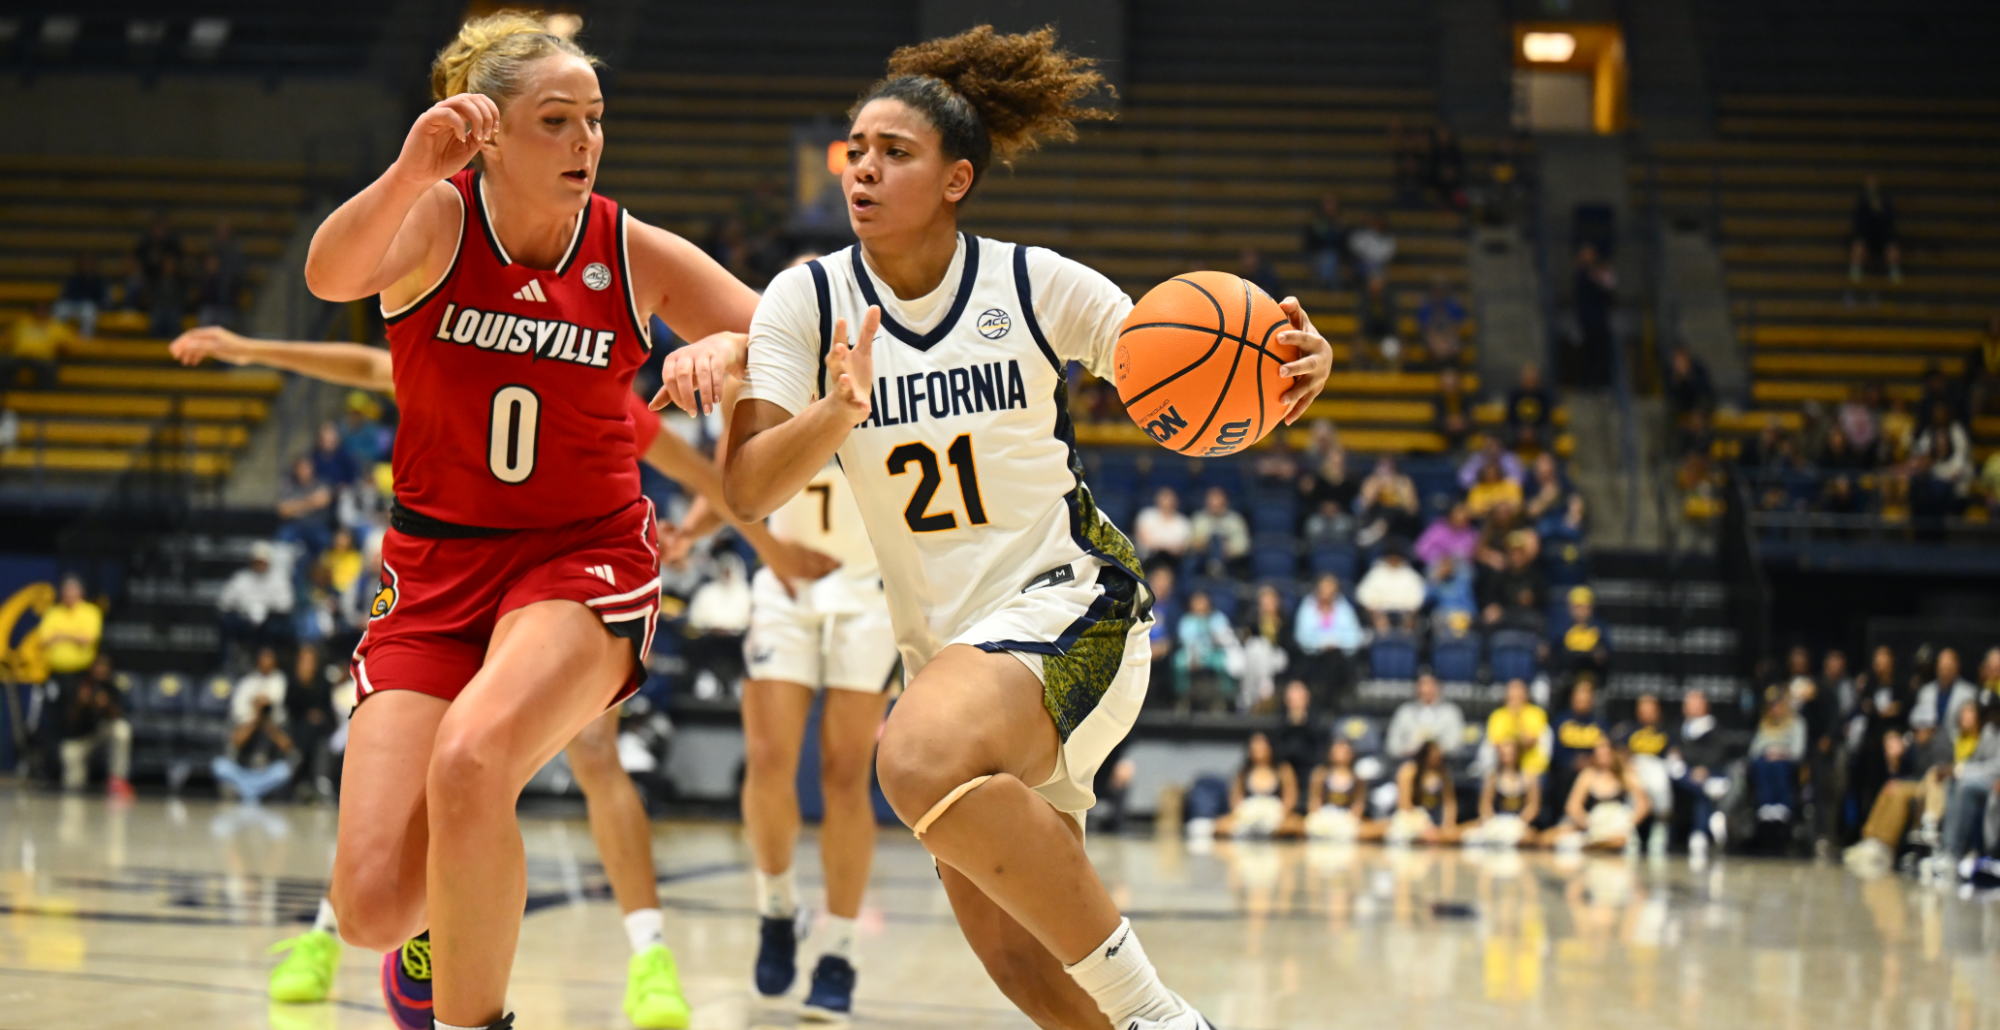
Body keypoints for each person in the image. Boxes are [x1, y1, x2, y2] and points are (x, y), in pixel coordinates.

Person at [696, 27, 1331, 1029]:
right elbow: (743, 492)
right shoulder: (804, 299)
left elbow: (1181, 389)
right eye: (854, 148)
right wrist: (834, 412)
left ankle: (1167, 1020)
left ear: (956, 180)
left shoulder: (1034, 284)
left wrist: (1285, 376)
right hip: (947, 649)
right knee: (1023, 964)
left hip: (1070, 603)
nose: (861, 166)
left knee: (907, 760)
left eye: (891, 152)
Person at [289, 13, 793, 1029]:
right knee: (371, 903)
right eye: (556, 121)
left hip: (581, 557)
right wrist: (405, 167)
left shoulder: (625, 247)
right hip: (433, 569)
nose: (583, 142)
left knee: (474, 761)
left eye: (594, 121)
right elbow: (328, 276)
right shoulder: (433, 220)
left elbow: (790, 328)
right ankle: (439, 932)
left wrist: (727, 358)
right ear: (489, 137)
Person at [172, 341, 839, 1019]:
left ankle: (650, 954)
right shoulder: (462, 362)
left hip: (567, 587)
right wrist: (251, 348)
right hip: (454, 588)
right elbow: (372, 365)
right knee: (414, 784)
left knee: (581, 756)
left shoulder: (597, 391)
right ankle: (365, 926)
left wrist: (769, 547)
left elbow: (705, 473)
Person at [1539, 740, 1648, 851]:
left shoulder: (1625, 774)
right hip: (1592, 823)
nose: (1602, 758)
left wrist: (1628, 823)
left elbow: (1643, 804)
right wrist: (1588, 822)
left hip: (1616, 825)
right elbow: (1572, 806)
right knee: (1549, 838)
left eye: (1606, 754)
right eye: (1599, 754)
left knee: (1618, 841)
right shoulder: (1589, 775)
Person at [59, 656, 132, 799]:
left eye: (105, 667)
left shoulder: (112, 687)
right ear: (91, 668)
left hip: (102, 737)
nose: (101, 670)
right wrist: (81, 703)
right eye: (98, 666)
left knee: (122, 730)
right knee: (70, 759)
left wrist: (107, 705)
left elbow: (120, 716)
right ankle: (75, 793)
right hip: (81, 737)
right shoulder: (79, 685)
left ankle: (117, 780)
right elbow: (67, 719)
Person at [1673, 688, 1734, 858]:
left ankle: (1699, 833)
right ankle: (1707, 821)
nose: (1692, 706)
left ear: (1705, 705)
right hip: (1685, 774)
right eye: (1689, 702)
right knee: (1680, 774)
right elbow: (1676, 753)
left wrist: (1703, 768)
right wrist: (1687, 760)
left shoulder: (1713, 727)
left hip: (1707, 772)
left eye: (1696, 702)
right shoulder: (1680, 728)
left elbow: (1716, 753)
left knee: (1702, 791)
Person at [1293, 573, 1367, 710]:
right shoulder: (1307, 608)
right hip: (1313, 656)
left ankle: (1330, 701)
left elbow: (1355, 637)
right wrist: (1322, 643)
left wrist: (1336, 642)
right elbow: (1302, 637)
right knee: (1330, 658)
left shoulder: (1344, 608)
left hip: (1340, 655)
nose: (1326, 594)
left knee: (1334, 657)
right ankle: (1329, 702)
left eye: (1330, 591)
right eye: (1323, 590)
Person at [212, 691, 298, 805]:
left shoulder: (276, 724)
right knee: (219, 765)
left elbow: (288, 747)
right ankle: (253, 792)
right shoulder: (244, 720)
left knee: (284, 770)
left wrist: (268, 724)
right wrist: (256, 720)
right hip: (243, 771)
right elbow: (237, 742)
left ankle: (247, 792)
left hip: (265, 773)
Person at [1614, 693, 1674, 853]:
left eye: (1650, 709)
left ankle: (1660, 824)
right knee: (1632, 784)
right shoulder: (1629, 729)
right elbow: (1619, 751)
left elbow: (1674, 754)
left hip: (1658, 768)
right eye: (1643, 709)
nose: (1647, 712)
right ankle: (1630, 829)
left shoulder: (1666, 731)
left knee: (1660, 781)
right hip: (1636, 767)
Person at [217, 542, 294, 665]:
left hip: (269, 622)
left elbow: (287, 604)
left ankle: (269, 662)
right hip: (245, 621)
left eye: (263, 561)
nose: (260, 565)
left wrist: (267, 608)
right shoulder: (241, 578)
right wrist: (244, 609)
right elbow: (223, 602)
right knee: (226, 623)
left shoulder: (279, 580)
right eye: (257, 561)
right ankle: (226, 664)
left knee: (276, 628)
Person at [1214, 731, 1302, 839]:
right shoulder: (1243, 772)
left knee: (1295, 826)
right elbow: (1235, 799)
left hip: (1275, 813)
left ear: (1270, 747)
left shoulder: (1283, 770)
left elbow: (1290, 797)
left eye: (1261, 746)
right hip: (1249, 813)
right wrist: (1242, 814)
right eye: (1254, 746)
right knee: (1220, 826)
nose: (1258, 749)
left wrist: (1281, 814)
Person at [33, 575, 103, 694]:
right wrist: (75, 636)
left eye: (73, 591)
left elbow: (88, 639)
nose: (69, 594)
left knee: (81, 703)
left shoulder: (91, 612)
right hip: (55, 672)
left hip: (82, 673)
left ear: (81, 592)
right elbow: (43, 640)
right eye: (66, 591)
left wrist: (61, 635)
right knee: (55, 706)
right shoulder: (53, 612)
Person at [1464, 740, 1539, 847]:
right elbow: (1485, 805)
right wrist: (1491, 822)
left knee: (1530, 838)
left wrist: (1520, 822)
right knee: (1470, 835)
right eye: (1504, 754)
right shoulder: (1493, 777)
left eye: (1510, 754)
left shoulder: (1528, 778)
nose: (1507, 757)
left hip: (1518, 823)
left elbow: (1533, 805)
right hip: (1496, 821)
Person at [1174, 590, 1238, 714]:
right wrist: (1194, 657)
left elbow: (1226, 638)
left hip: (1214, 653)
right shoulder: (1187, 620)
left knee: (1224, 664)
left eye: (1202, 601)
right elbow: (1185, 640)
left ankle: (1223, 700)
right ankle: (1183, 698)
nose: (1199, 604)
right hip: (1192, 653)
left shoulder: (1218, 618)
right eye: (1196, 601)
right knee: (1178, 663)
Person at [1748, 690, 1806, 825]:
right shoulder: (1765, 725)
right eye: (1772, 706)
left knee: (1779, 765)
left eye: (1778, 705)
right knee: (1761, 763)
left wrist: (1780, 753)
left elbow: (1798, 751)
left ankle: (1782, 804)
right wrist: (1768, 751)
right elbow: (1753, 751)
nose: (1775, 709)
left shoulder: (1796, 724)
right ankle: (1766, 805)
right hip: (1766, 758)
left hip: (1787, 760)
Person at [1234, 586, 1292, 713]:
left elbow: (1289, 645)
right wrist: (1258, 622)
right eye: (1264, 602)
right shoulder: (1252, 617)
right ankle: (1262, 691)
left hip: (1278, 657)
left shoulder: (1285, 619)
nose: (1267, 606)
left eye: (1271, 602)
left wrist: (1278, 628)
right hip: (1255, 658)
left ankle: (1249, 695)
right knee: (1256, 646)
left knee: (1261, 648)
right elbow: (1244, 638)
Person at [1388, 741, 1459, 844]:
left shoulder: (1443, 773)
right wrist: (1423, 825)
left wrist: (1448, 825)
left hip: (1435, 817)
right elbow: (1404, 804)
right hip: (1412, 818)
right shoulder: (1409, 771)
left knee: (1453, 835)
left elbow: (1450, 803)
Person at [1386, 671, 1466, 761]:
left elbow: (1455, 744)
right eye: (1422, 685)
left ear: (1438, 687)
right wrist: (1409, 749)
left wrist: (1436, 749)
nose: (1426, 689)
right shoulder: (1405, 712)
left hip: (1442, 763)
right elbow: (1392, 745)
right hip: (1409, 761)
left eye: (1430, 685)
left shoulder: (1450, 712)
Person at [1304, 737, 1371, 841]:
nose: (1341, 753)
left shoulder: (1358, 779)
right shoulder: (1320, 775)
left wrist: (1351, 819)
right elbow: (1314, 800)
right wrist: (1318, 817)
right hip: (1324, 816)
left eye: (1344, 750)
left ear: (1351, 753)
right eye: (1338, 749)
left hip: (1346, 817)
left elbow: (1358, 804)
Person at [1485, 677, 1551, 780]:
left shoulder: (1537, 714)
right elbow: (1495, 743)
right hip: (1502, 763)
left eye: (1519, 692)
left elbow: (1530, 742)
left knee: (1530, 778)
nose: (1515, 696)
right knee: (1490, 778)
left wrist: (1517, 718)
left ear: (1526, 695)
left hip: (1530, 763)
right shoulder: (1497, 715)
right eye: (1512, 692)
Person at [1913, 647, 1979, 744]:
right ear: (1937, 668)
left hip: (1957, 745)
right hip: (1928, 746)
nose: (1945, 671)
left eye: (1949, 667)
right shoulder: (1925, 693)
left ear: (1957, 667)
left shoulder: (1969, 693)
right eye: (1942, 667)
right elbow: (1918, 722)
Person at [1356, 544, 1425, 634]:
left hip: (1404, 614)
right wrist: (1375, 614)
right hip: (1380, 613)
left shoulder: (1410, 575)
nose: (1393, 561)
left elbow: (1418, 598)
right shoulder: (1376, 573)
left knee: (1410, 626)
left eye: (1396, 558)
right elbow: (1362, 595)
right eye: (1391, 558)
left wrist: (1410, 617)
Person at [1572, 245, 1616, 388]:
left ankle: (1602, 383)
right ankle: (1586, 384)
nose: (1588, 258)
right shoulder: (1581, 275)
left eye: (1591, 255)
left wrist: (1602, 272)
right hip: (1588, 320)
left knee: (1601, 352)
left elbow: (1610, 286)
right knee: (1589, 354)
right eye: (1585, 255)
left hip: (1599, 318)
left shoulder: (1599, 271)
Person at [4, 301, 72, 389]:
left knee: (49, 370)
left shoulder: (56, 326)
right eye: (38, 310)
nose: (40, 313)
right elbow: (10, 337)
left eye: (42, 310)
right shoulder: (23, 323)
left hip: (42, 358)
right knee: (4, 364)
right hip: (20, 356)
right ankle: (4, 393)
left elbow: (68, 343)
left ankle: (46, 397)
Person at [1848, 175, 1902, 285]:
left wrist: (1880, 212)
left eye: (1873, 184)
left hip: (1883, 238)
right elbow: (1859, 224)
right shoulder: (1862, 203)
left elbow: (1890, 224)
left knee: (1892, 248)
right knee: (1858, 246)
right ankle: (1855, 271)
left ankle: (1894, 271)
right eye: (1869, 184)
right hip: (1866, 238)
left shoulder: (1886, 203)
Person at [1188, 485, 1250, 578]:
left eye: (1218, 501)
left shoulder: (1235, 520)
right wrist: (1204, 545)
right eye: (1212, 501)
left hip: (1229, 559)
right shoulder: (1199, 519)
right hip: (1203, 558)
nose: (1215, 504)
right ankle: (1214, 567)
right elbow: (1191, 541)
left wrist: (1229, 549)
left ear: (1225, 502)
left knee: (1218, 540)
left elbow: (1244, 545)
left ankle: (1215, 567)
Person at [1550, 586, 1609, 682]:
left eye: (1584, 607)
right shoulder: (1562, 626)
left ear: (1591, 608)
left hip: (1591, 673)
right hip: (1567, 674)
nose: (1581, 611)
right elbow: (1553, 647)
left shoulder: (1599, 626)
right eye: (1577, 607)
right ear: (1570, 608)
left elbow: (1607, 649)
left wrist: (1601, 653)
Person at [53, 255, 108, 339]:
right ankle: (57, 337)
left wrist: (98, 306)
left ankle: (84, 340)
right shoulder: (74, 279)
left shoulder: (99, 281)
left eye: (89, 264)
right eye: (84, 264)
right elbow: (65, 295)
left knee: (88, 312)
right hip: (72, 305)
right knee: (59, 309)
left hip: (88, 307)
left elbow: (103, 300)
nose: (87, 266)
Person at [1302, 192, 1348, 291]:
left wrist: (1340, 230)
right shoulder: (1316, 222)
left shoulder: (1340, 223)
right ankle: (1330, 289)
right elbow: (1309, 243)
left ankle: (1327, 288)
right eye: (1327, 204)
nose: (1329, 207)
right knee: (1327, 259)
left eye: (1332, 204)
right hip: (1316, 255)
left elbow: (1344, 245)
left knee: (1331, 258)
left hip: (1336, 257)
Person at [1133, 486, 1192, 561]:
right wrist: (1163, 547)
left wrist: (1164, 549)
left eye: (1170, 499)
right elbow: (1143, 538)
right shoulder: (1146, 515)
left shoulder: (1183, 522)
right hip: (1147, 557)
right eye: (1164, 498)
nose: (1166, 502)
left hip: (1173, 559)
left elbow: (1180, 547)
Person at [1505, 363, 1555, 449]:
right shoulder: (1514, 397)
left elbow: (1547, 423)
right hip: (1515, 443)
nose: (1529, 382)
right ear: (1521, 379)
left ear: (1538, 380)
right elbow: (1509, 421)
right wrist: (1519, 432)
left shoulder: (1545, 398)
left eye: (1532, 379)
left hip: (1540, 444)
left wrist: (1535, 433)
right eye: (1526, 379)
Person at [1664, 346, 1713, 422]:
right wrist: (1677, 382)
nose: (1679, 362)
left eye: (1681, 358)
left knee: (1704, 402)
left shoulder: (1698, 368)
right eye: (1676, 359)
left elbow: (1704, 389)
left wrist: (1689, 377)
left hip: (1697, 402)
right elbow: (1669, 394)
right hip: (1681, 405)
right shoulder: (1670, 372)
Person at [1348, 212, 1396, 280]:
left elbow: (1388, 254)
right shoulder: (1361, 234)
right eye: (1374, 221)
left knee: (1377, 274)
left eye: (1379, 221)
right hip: (1361, 265)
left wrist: (1374, 262)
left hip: (1380, 267)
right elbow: (1353, 246)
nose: (1376, 223)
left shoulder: (1388, 238)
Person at [1433, 366, 1472, 449]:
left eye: (1452, 384)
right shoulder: (1437, 401)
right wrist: (1448, 424)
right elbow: (1435, 422)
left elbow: (1471, 419)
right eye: (1447, 385)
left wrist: (1461, 422)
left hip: (1464, 435)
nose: (1450, 387)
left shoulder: (1466, 399)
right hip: (1443, 436)